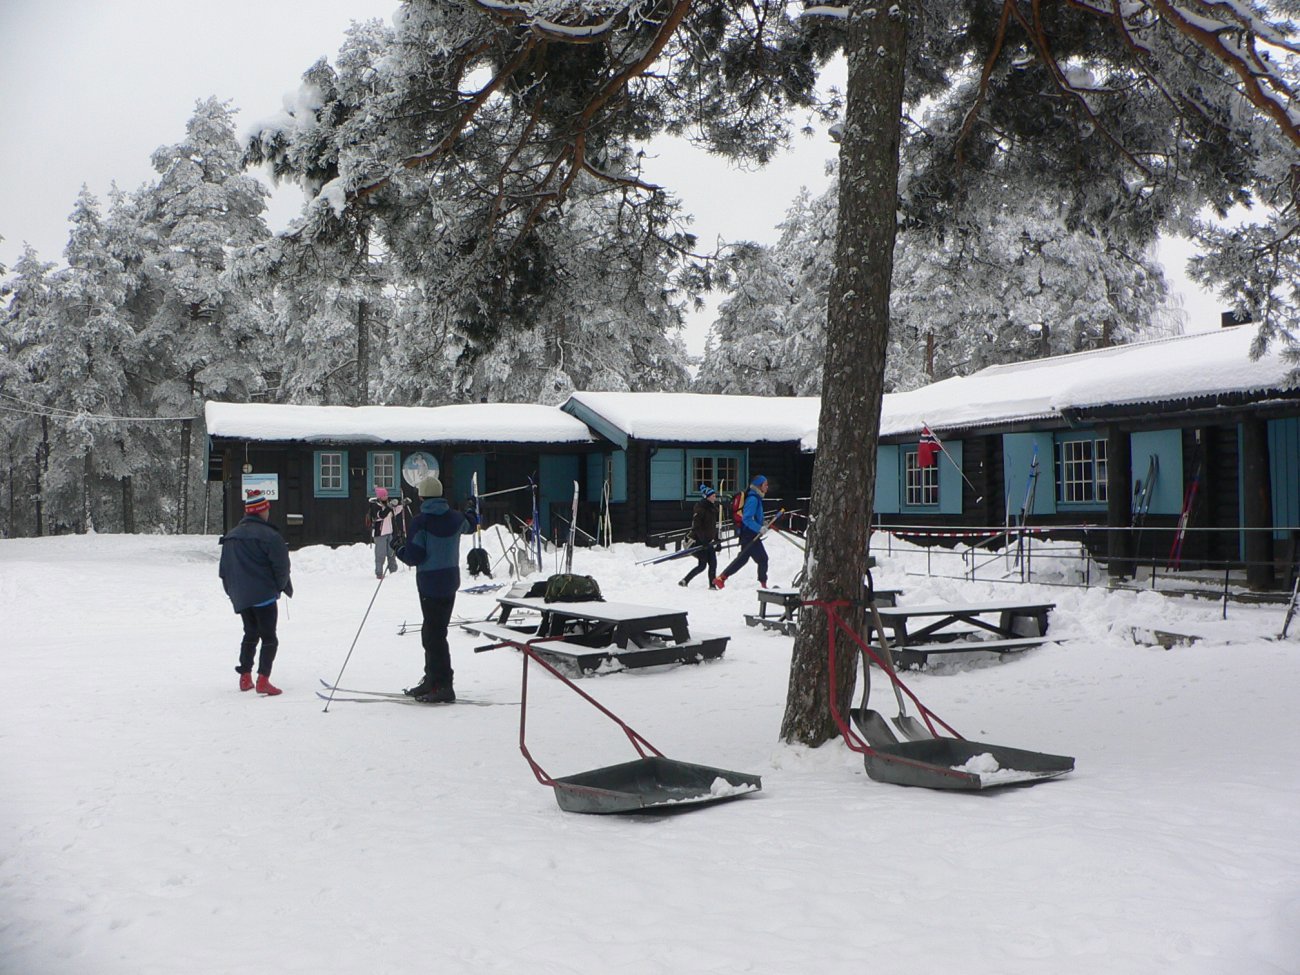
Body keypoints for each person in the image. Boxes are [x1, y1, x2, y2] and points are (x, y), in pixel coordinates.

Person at [394, 474, 478, 703]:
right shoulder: (455, 518)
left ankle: (443, 685)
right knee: (432, 632)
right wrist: (471, 507)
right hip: (450, 581)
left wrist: (398, 548)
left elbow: (414, 557)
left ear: (421, 496)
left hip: (430, 584)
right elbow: (471, 524)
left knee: (434, 636)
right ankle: (433, 679)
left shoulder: (421, 522)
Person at [218, 489, 294, 696]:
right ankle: (263, 680)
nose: (268, 513)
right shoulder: (271, 536)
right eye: (267, 509)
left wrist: (233, 593)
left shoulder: (231, 536)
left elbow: (224, 570)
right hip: (264, 595)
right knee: (270, 637)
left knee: (250, 633)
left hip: (241, 596)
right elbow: (282, 567)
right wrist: (278, 587)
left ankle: (245, 677)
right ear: (262, 511)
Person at [712, 475, 770, 590]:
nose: (767, 487)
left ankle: (721, 578)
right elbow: (747, 518)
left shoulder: (756, 497)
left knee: (743, 558)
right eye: (765, 484)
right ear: (759, 486)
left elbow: (754, 516)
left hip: (748, 532)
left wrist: (762, 522)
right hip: (749, 533)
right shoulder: (753, 499)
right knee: (763, 559)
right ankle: (763, 585)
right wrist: (759, 528)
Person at [680, 484, 720, 588]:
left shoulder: (713, 509)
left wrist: (717, 540)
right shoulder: (700, 508)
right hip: (697, 541)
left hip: (708, 541)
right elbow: (696, 527)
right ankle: (685, 581)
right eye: (713, 495)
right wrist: (703, 541)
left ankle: (712, 585)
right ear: (707, 497)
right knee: (702, 565)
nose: (715, 497)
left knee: (713, 563)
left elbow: (713, 526)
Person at [366, 487, 404, 579]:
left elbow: (393, 512)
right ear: (380, 496)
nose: (386, 497)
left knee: (391, 553)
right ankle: (379, 572)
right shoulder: (375, 506)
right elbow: (381, 515)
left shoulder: (387, 505)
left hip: (389, 532)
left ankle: (393, 572)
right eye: (384, 495)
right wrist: (389, 507)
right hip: (380, 534)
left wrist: (402, 505)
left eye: (387, 495)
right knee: (380, 554)